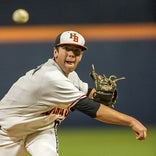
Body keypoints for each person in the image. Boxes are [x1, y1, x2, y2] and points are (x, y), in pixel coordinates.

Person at [0, 30, 147, 156]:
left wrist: (98, 95)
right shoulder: (51, 77)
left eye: (76, 51)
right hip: (8, 132)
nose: (71, 54)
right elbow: (91, 108)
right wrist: (131, 121)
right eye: (66, 49)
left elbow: (88, 93)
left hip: (40, 131)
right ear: (55, 52)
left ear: (81, 56)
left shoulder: (69, 75)